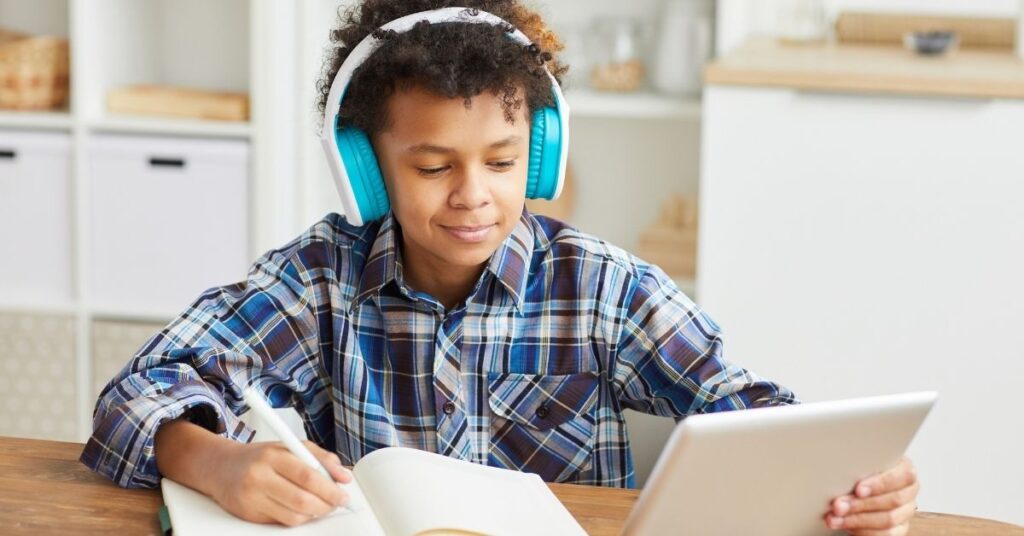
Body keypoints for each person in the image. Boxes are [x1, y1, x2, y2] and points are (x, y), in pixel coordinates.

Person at [80, 1, 919, 533]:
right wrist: (217, 462)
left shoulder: (603, 288)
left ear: (539, 154)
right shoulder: (320, 280)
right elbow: (135, 393)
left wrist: (859, 484)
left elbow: (753, 413)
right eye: (434, 166)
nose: (472, 196)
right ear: (367, 171)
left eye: (502, 160)